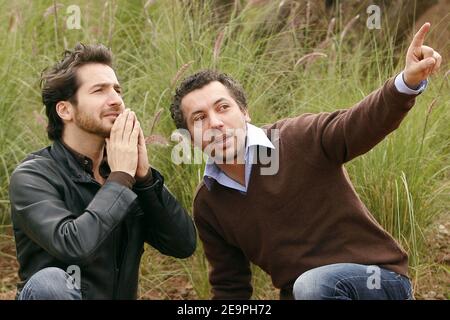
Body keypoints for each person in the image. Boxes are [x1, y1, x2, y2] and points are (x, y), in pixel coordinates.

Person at [169, 23, 442, 299]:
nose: (215, 123)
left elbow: (360, 123)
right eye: (199, 118)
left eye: (223, 108)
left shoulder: (300, 137)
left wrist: (406, 83)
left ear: (245, 112)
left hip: (376, 280)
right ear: (190, 137)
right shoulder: (209, 203)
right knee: (308, 288)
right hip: (305, 295)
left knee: (312, 285)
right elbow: (230, 287)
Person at [9, 43, 197, 300]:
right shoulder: (33, 176)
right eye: (99, 90)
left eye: (117, 90)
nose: (116, 100)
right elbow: (73, 245)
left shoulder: (125, 173)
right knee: (49, 283)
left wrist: (144, 179)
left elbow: (183, 245)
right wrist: (120, 179)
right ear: (65, 109)